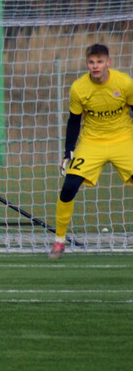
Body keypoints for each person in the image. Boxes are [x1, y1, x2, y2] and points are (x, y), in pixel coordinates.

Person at [49, 43, 133, 259]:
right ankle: (59, 241)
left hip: (123, 139)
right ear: (87, 63)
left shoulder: (124, 83)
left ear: (108, 63)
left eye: (100, 62)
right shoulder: (79, 88)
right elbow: (74, 121)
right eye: (91, 62)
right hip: (92, 142)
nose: (96, 66)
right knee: (69, 186)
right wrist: (68, 151)